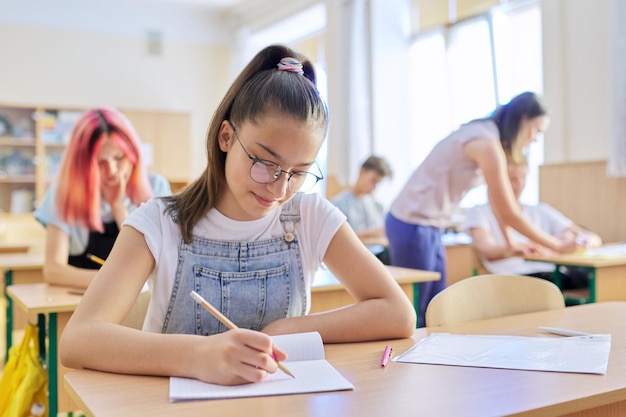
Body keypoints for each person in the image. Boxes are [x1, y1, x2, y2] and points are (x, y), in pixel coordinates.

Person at [60, 45, 416, 386]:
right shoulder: (158, 221)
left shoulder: (309, 215)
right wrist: (198, 356)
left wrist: (285, 329)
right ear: (226, 136)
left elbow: (398, 314)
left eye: (298, 173)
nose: (278, 190)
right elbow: (79, 339)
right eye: (264, 163)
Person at [385, 92, 579, 327]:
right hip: (411, 222)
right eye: (537, 130)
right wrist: (557, 245)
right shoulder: (486, 142)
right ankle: (406, 361)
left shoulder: (488, 138)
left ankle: (430, 359)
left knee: (435, 309)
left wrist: (510, 243)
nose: (535, 139)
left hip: (431, 224)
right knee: (417, 312)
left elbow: (497, 201)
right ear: (524, 119)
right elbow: (507, 209)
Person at [33, 107, 171, 289]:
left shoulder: (156, 188)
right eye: (99, 162)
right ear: (82, 165)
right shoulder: (63, 193)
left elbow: (160, 263)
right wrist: (114, 281)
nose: (112, 170)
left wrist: (117, 207)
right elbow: (53, 270)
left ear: (134, 155)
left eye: (119, 157)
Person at [463, 158, 602, 288]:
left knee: (599, 277)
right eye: (512, 179)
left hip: (553, 271)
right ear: (497, 180)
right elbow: (486, 247)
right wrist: (514, 248)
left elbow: (588, 235)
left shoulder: (541, 210)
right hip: (517, 276)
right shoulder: (480, 212)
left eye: (522, 177)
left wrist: (569, 239)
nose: (518, 184)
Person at [331, 155, 392, 240]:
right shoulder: (338, 204)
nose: (374, 187)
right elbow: (338, 239)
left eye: (378, 183)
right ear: (362, 172)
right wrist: (371, 234)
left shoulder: (377, 206)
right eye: (373, 180)